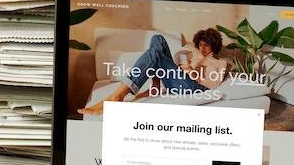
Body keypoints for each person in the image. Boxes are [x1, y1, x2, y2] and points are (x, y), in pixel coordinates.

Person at [78, 28, 227, 115]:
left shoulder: (221, 63)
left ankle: (117, 96)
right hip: (180, 81)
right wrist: (184, 67)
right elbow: (177, 70)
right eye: (200, 44)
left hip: (194, 87)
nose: (202, 48)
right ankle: (155, 86)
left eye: (206, 45)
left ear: (214, 45)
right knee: (158, 39)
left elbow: (213, 85)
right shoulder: (192, 55)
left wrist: (194, 73)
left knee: (153, 54)